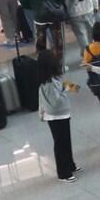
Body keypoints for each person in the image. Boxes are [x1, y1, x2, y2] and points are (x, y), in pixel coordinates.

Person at [36, 51, 79, 182]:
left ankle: (70, 165)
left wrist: (71, 87)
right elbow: (55, 102)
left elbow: (63, 81)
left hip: (62, 114)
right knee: (60, 144)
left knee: (66, 141)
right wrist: (66, 90)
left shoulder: (53, 78)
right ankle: (63, 172)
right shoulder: (49, 83)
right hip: (56, 116)